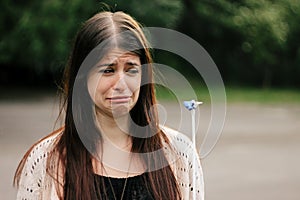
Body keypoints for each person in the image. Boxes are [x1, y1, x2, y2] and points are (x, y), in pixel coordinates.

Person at [13, 11, 204, 200]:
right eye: (108, 70)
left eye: (131, 70)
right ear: (82, 78)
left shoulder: (180, 154)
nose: (121, 84)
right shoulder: (44, 161)